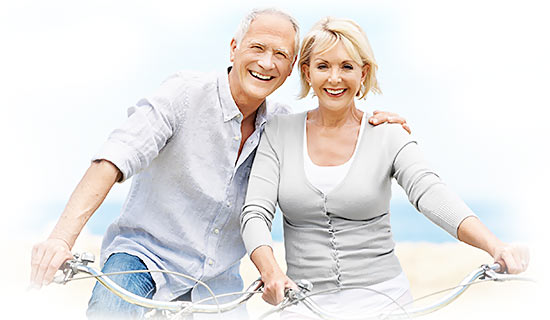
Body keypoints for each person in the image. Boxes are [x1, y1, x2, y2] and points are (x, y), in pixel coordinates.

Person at [29, 8, 409, 319]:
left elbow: (334, 124)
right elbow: (113, 159)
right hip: (143, 261)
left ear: (293, 68)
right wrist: (61, 239)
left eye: (280, 55)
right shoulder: (183, 94)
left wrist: (374, 124)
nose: (266, 62)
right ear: (233, 49)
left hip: (219, 283)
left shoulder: (282, 126)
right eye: (258, 47)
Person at [239, 17, 530, 318]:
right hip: (301, 301)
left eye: (347, 67)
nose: (335, 78)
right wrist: (270, 270)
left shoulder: (388, 133)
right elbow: (255, 212)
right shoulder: (277, 132)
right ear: (307, 72)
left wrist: (495, 246)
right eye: (323, 66)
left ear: (363, 73)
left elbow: (430, 191)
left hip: (383, 303)